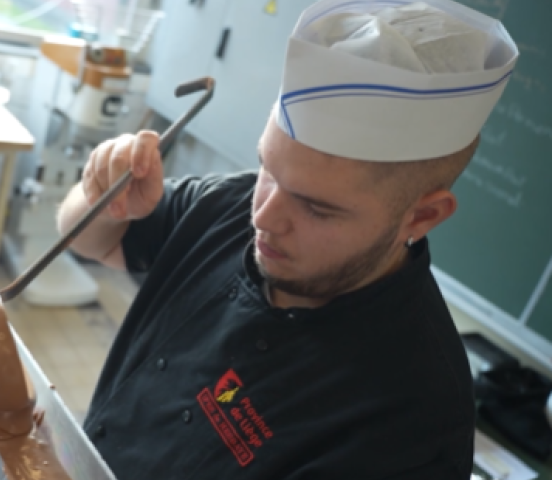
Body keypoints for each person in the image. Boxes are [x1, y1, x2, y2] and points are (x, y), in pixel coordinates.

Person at [55, 0, 519, 478]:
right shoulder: (229, 204)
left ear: (422, 216)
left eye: (317, 207)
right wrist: (99, 196)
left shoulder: (413, 420)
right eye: (268, 170)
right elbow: (95, 242)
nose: (265, 217)